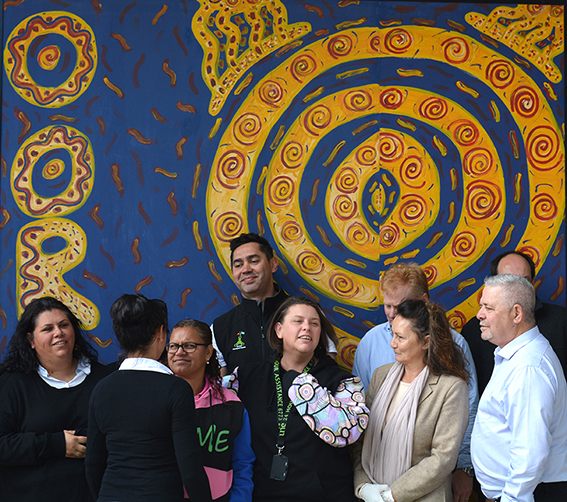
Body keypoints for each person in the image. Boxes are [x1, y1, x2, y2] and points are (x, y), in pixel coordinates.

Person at [353, 262, 479, 502]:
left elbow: (442, 457)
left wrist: (392, 495)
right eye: (388, 306)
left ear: (425, 342)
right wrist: (363, 487)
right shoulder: (381, 374)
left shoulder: (451, 386)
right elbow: (361, 433)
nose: (392, 343)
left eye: (400, 337)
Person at [226, 296, 368, 502]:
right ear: (279, 330)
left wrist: (300, 384)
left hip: (325, 495)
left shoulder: (343, 381)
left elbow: (347, 432)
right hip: (261, 494)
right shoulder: (244, 378)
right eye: (298, 321)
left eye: (314, 323)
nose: (307, 328)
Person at [85, 294, 212, 502]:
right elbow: (190, 468)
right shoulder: (176, 389)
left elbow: (93, 463)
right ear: (161, 333)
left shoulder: (101, 389)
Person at [0, 296, 112, 502]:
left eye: (63, 325)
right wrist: (56, 444)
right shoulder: (12, 384)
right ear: (30, 341)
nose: (58, 333)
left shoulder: (104, 380)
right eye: (47, 329)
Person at [471, 274, 567, 502]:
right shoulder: (518, 356)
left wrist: (511, 498)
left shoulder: (528, 368)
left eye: (488, 307)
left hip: (530, 494)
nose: (479, 315)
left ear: (516, 314)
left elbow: (530, 452)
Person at [212, 233, 336, 376]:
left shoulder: (309, 314)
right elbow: (221, 389)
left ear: (273, 264)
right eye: (238, 265)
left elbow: (328, 370)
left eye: (253, 261)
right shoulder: (220, 327)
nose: (246, 270)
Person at [167, 319, 254, 501]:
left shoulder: (231, 404)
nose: (179, 352)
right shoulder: (156, 399)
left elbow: (242, 464)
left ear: (208, 352)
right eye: (173, 346)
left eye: (189, 346)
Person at [461, 250, 567, 395]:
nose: (518, 289)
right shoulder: (475, 329)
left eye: (524, 281)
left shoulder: (560, 321)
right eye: (509, 281)